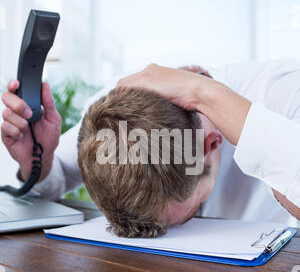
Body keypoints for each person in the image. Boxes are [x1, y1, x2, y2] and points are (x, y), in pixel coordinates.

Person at [1, 60, 300, 236]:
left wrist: (205, 94)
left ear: (212, 144)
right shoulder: (118, 109)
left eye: (186, 215)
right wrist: (36, 161)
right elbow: (57, 179)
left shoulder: (286, 94)